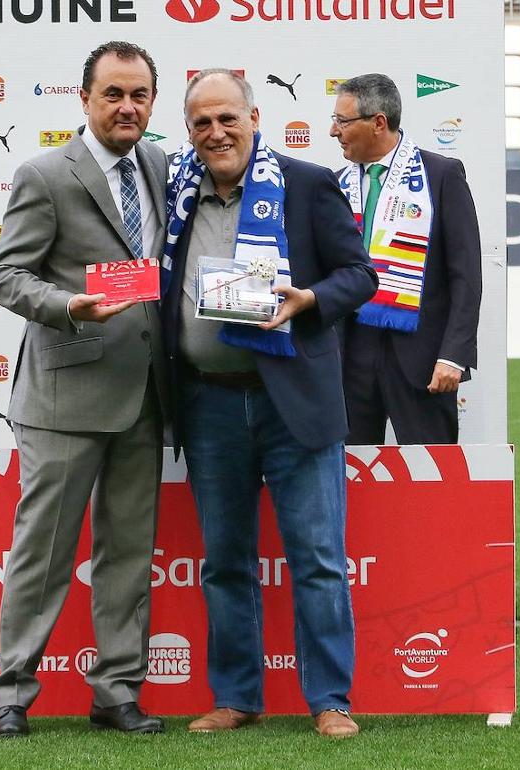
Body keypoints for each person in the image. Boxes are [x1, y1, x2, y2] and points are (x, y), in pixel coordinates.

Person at [159, 70, 376, 738]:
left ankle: (330, 699)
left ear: (255, 116)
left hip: (294, 404)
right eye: (202, 123)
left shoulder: (308, 185)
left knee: (316, 558)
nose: (216, 133)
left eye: (228, 118)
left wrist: (308, 300)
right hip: (209, 406)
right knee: (225, 562)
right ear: (189, 132)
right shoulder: (177, 196)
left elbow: (361, 274)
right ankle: (237, 695)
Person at [0, 41, 169, 738]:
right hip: (64, 396)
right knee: (45, 550)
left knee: (127, 553)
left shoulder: (158, 164)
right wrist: (69, 306)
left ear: (153, 101)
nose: (127, 107)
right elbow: (5, 275)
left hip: (143, 394)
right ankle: (11, 693)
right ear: (84, 98)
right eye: (114, 94)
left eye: (140, 95)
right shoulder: (44, 173)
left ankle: (117, 692)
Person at [331, 73, 482, 445]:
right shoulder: (334, 184)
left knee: (432, 484)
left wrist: (453, 355)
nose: (333, 131)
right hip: (351, 361)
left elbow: (466, 275)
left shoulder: (442, 175)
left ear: (378, 123)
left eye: (342, 121)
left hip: (423, 360)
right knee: (355, 486)